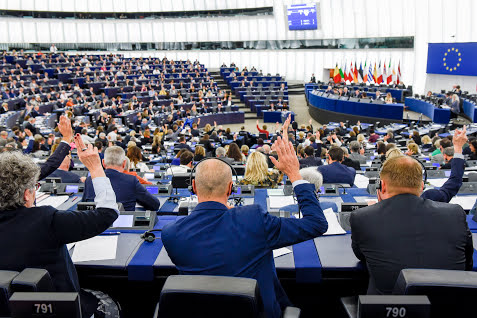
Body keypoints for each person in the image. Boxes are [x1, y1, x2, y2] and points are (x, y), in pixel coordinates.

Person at [162, 118, 328, 318]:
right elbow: (316, 223)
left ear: (195, 187)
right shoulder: (253, 219)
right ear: (231, 189)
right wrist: (294, 174)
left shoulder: (171, 234)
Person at [0, 135, 121, 317]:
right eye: (35, 187)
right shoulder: (46, 220)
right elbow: (108, 213)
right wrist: (95, 167)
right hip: (60, 310)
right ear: (27, 195)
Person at [350, 155, 473, 295]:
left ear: (382, 185)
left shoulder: (362, 217)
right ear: (421, 186)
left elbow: (362, 255)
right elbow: (467, 263)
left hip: (389, 309)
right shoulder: (456, 213)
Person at [82, 146, 160, 212]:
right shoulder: (131, 180)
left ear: (103, 162)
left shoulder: (89, 180)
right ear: (124, 163)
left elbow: (83, 208)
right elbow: (154, 204)